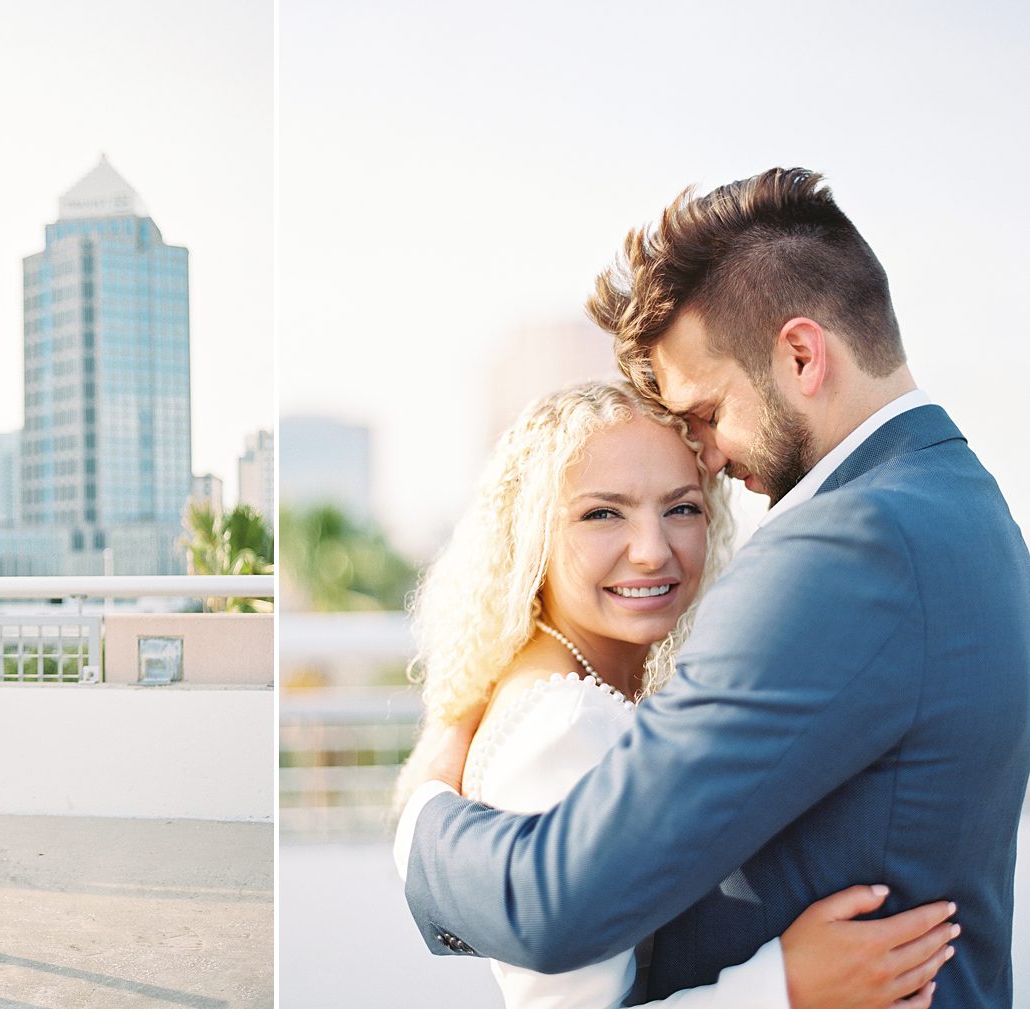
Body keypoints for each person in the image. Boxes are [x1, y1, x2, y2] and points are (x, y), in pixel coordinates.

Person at [397, 168, 1030, 1007]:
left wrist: (419, 825)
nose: (714, 455)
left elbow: (556, 900)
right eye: (602, 514)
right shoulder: (977, 509)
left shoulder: (844, 548)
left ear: (802, 355)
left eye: (706, 413)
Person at [396, 380, 955, 1008]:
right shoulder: (567, 722)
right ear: (526, 537)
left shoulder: (593, 688)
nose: (651, 550)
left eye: (681, 508)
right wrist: (787, 988)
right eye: (602, 513)